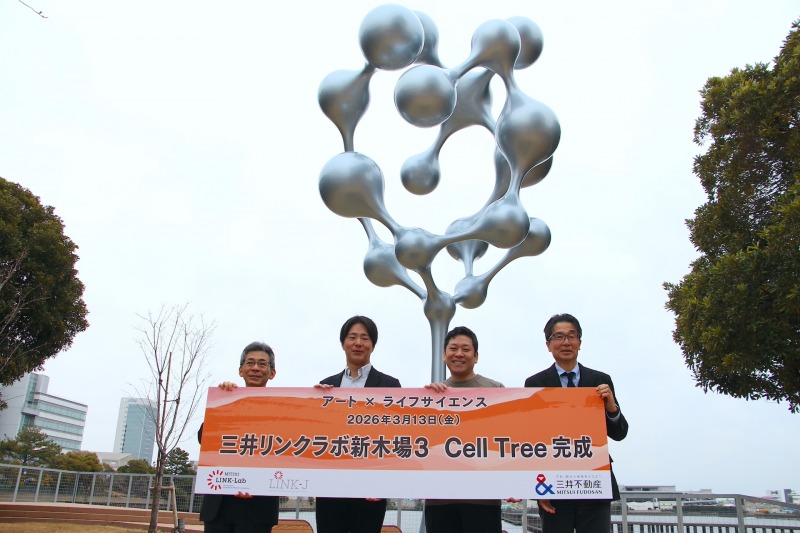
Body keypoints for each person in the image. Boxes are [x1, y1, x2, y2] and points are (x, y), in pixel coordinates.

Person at [524, 313, 629, 533]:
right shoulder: (535, 384)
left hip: (594, 480)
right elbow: (531, 438)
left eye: (571, 336)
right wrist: (537, 488)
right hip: (554, 481)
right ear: (548, 344)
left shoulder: (600, 381)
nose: (566, 342)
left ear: (579, 342)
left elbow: (619, 433)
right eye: (558, 337)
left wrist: (611, 408)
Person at [315, 315, 401, 533]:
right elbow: (315, 433)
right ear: (343, 343)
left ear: (373, 345)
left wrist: (384, 484)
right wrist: (314, 402)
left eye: (365, 338)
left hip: (371, 488)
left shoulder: (390, 385)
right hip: (330, 487)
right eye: (352, 337)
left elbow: (395, 437)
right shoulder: (326, 386)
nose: (358, 343)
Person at [424, 326, 504, 533]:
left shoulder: (496, 390)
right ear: (444, 355)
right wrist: (425, 399)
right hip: (440, 498)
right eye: (453, 348)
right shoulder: (430, 395)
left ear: (476, 356)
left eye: (466, 349)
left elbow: (509, 439)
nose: (459, 354)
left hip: (483, 498)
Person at [198, 341, 280, 533]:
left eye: (262, 364)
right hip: (219, 504)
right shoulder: (226, 400)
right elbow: (205, 439)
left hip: (258, 506)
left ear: (272, 373)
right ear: (240, 370)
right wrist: (224, 402)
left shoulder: (282, 409)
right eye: (250, 363)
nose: (255, 368)